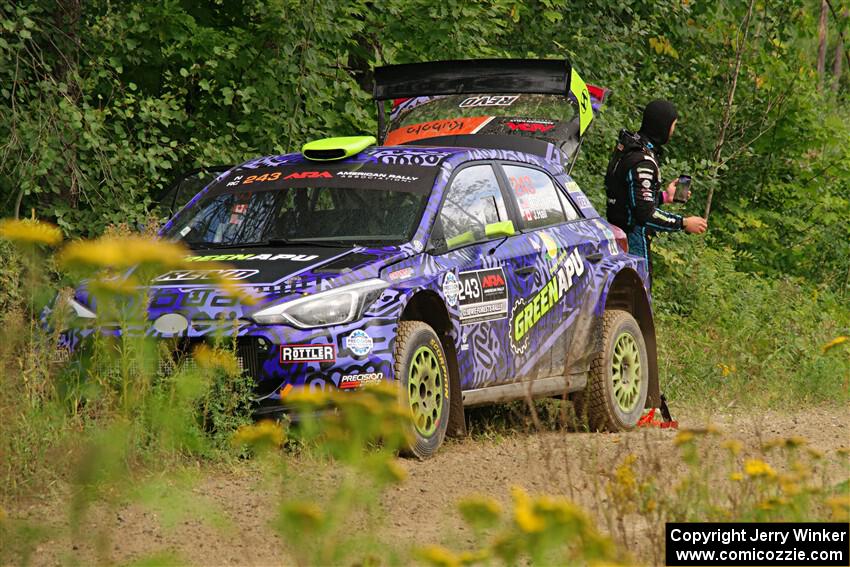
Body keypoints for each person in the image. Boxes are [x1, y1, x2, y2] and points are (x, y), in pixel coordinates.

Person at [604, 100, 707, 275]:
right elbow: (644, 214)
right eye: (673, 126)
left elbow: (629, 199)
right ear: (663, 126)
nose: (673, 131)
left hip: (617, 233)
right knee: (638, 297)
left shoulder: (630, 146)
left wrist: (665, 197)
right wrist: (684, 223)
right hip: (632, 240)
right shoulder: (643, 161)